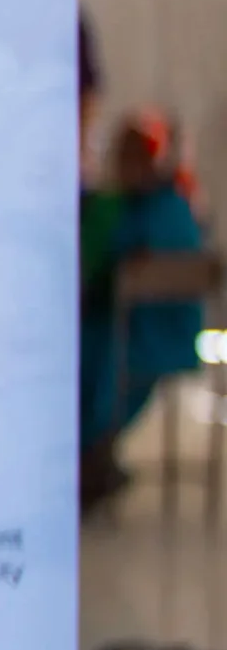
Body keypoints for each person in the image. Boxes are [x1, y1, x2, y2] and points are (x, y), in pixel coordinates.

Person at [79, 106, 208, 510]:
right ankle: (94, 457)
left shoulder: (137, 211)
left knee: (92, 359)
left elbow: (102, 273)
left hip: (136, 340)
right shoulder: (176, 207)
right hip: (167, 338)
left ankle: (89, 456)